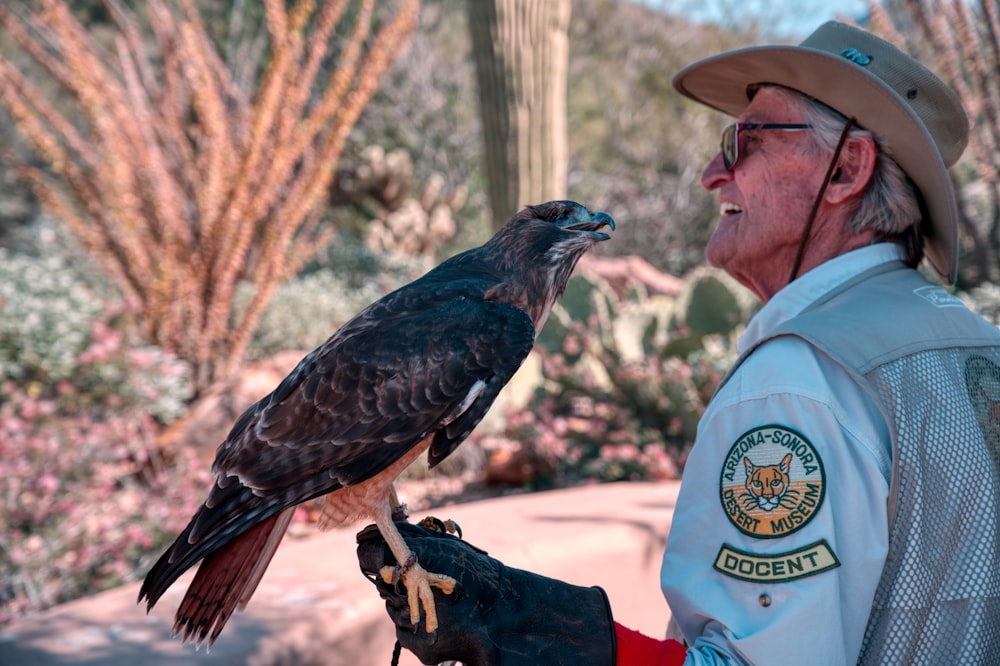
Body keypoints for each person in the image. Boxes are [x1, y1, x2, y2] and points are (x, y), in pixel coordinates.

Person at [357, 21, 1000, 665]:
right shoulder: (976, 346)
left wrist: (532, 626)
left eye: (744, 141)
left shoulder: (801, 385)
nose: (711, 173)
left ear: (847, 170)